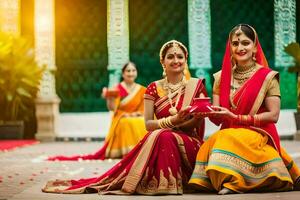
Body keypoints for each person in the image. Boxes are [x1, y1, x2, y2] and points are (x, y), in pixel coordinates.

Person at [42, 40, 208, 194]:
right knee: (161, 135)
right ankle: (160, 183)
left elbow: (197, 121)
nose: (175, 60)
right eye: (170, 56)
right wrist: (173, 121)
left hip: (189, 143)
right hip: (162, 136)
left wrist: (179, 122)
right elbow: (148, 124)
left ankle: (168, 182)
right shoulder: (152, 88)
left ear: (185, 59)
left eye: (180, 56)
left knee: (162, 135)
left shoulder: (196, 86)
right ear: (162, 62)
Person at [189, 24, 300, 194]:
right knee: (214, 140)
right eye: (235, 44)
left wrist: (237, 118)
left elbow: (274, 115)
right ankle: (228, 179)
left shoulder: (268, 77)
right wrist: (205, 110)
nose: (240, 48)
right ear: (230, 47)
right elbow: (218, 118)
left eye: (246, 43)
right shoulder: (220, 77)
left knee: (224, 138)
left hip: (258, 131)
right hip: (229, 131)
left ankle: (234, 182)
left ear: (255, 46)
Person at [48, 62, 147, 160]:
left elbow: (144, 109)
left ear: (136, 72)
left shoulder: (142, 90)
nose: (131, 73)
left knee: (141, 121)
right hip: (121, 118)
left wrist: (135, 114)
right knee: (127, 122)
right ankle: (128, 152)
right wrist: (109, 98)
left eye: (133, 70)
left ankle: (143, 150)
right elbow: (112, 109)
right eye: (128, 71)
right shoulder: (117, 89)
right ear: (123, 74)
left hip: (136, 116)